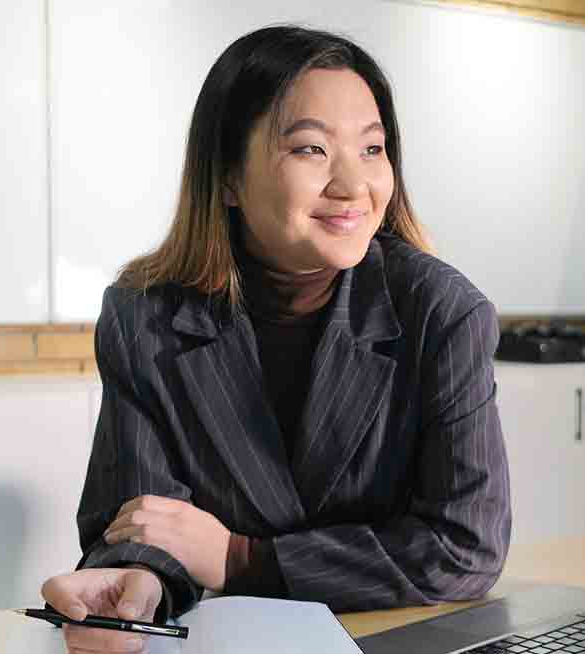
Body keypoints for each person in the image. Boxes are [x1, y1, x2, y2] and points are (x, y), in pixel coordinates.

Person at [41, 25, 511, 653]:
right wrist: (138, 578)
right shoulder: (145, 315)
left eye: (373, 150)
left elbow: (466, 548)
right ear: (229, 176)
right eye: (312, 150)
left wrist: (242, 558)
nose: (353, 186)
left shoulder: (443, 313)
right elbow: (140, 516)